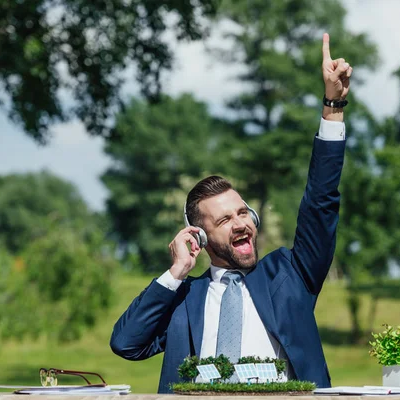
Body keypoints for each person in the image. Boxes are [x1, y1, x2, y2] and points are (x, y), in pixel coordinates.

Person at [110, 32, 352, 393]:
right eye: (225, 220)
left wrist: (332, 108)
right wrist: (175, 273)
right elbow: (126, 343)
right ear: (200, 236)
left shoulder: (289, 275)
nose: (241, 224)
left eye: (243, 212)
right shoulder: (184, 299)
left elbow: (320, 203)